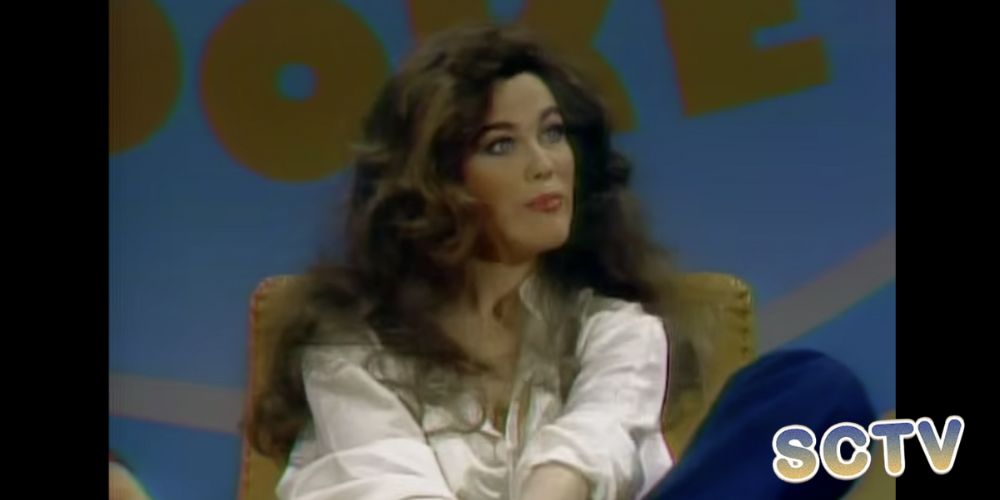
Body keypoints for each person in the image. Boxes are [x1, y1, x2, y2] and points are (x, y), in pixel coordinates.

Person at [245, 22, 876, 500]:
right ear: (433, 183)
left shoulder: (616, 330)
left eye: (552, 133)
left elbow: (591, 447)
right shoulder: (350, 351)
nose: (545, 163)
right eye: (501, 145)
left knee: (814, 391)